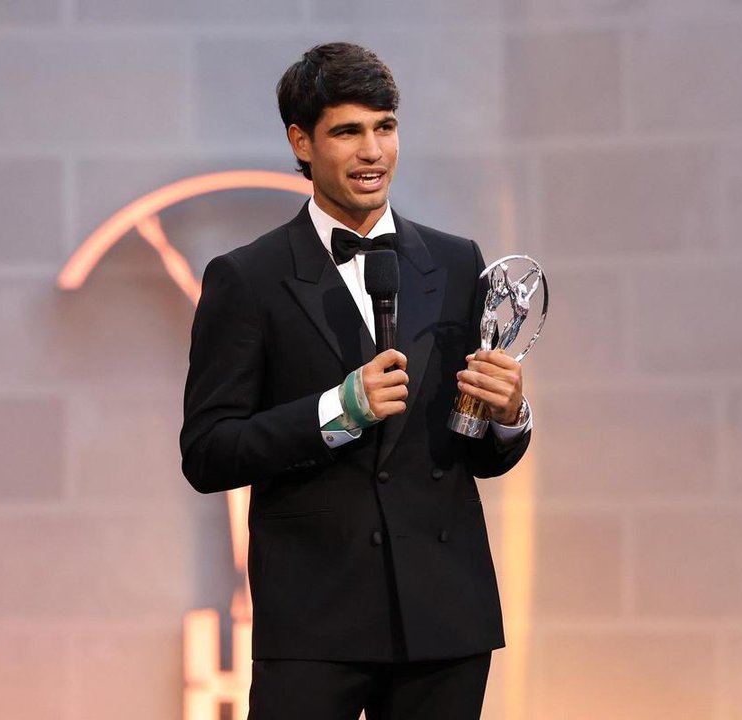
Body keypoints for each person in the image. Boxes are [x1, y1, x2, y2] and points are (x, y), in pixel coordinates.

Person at [180, 42, 531, 720]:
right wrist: (338, 410)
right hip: (313, 620)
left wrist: (508, 415)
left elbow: (479, 456)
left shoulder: (458, 264)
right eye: (348, 131)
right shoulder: (247, 278)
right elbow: (207, 452)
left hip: (444, 618)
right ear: (301, 143)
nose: (373, 151)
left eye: (385, 127)